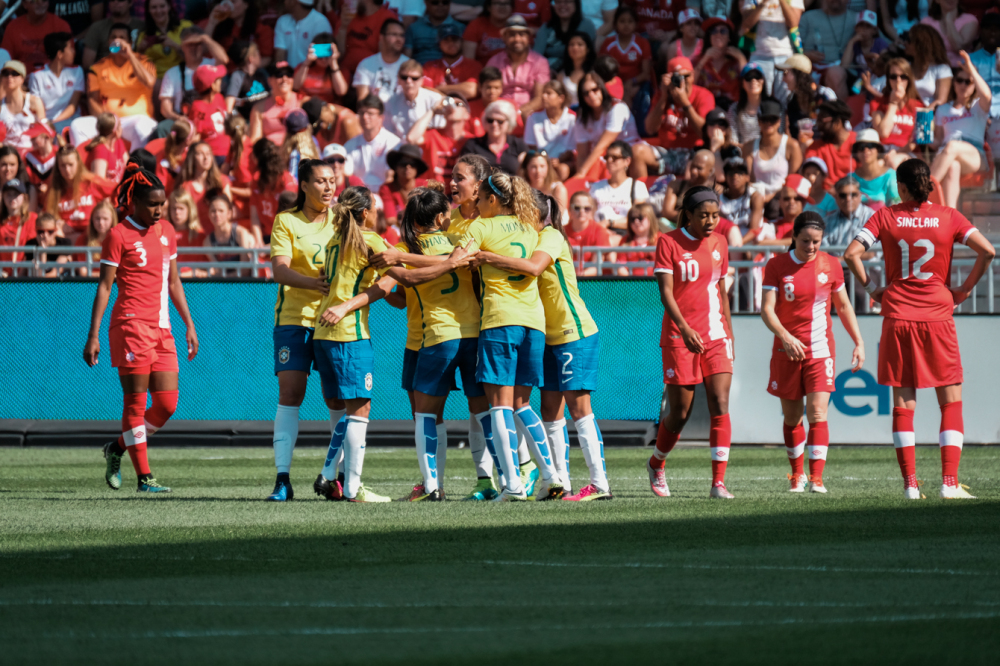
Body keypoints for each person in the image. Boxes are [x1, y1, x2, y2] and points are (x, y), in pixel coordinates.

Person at [844, 158, 995, 499]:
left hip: (897, 316)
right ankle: (949, 483)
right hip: (938, 316)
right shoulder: (949, 216)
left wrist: (873, 290)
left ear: (901, 187)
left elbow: (852, 254)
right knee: (951, 402)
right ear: (928, 184)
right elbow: (986, 252)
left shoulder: (886, 216)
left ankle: (911, 485)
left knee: (902, 403)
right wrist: (964, 290)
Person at [332, 188, 483, 501]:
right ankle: (495, 481)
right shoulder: (461, 243)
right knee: (484, 411)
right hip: (470, 333)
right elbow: (401, 298)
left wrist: (360, 296)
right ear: (441, 216)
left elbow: (395, 284)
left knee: (426, 415)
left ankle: (431, 486)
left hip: (431, 336)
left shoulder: (402, 248)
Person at [472, 190, 610, 500]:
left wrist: (488, 256)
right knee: (549, 410)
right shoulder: (529, 236)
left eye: (523, 210)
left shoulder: (550, 236)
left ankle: (600, 484)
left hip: (573, 331)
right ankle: (560, 482)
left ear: (537, 214)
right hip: (545, 335)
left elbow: (534, 267)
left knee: (579, 408)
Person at [84, 166, 198, 494]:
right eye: (152, 204)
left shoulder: (167, 231)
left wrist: (189, 323)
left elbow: (174, 280)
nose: (159, 209)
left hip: (163, 329)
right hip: (131, 325)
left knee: (167, 404)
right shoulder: (118, 236)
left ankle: (116, 447)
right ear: (132, 202)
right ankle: (144, 477)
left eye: (161, 203)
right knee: (135, 403)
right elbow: (105, 287)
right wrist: (93, 334)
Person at [455, 171, 564, 501]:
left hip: (500, 320)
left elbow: (457, 261)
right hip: (534, 323)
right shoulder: (530, 228)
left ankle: (513, 485)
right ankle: (551, 476)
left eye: (480, 200)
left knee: (499, 405)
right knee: (522, 403)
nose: (476, 206)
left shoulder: (480, 226)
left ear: (491, 199)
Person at [760, 211, 865, 493]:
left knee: (818, 413)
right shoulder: (776, 265)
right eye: (805, 241)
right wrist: (784, 335)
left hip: (820, 351)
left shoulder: (831, 264)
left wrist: (859, 341)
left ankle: (817, 477)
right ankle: (797, 475)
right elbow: (767, 310)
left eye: (816, 241)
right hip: (787, 351)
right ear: (794, 237)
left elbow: (843, 307)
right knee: (792, 418)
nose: (811, 247)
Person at [311, 184, 397, 503]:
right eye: (374, 207)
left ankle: (332, 477)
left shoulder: (335, 240)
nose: (377, 213)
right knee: (359, 411)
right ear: (364, 213)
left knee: (343, 414)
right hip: (350, 334)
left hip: (323, 333)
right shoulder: (369, 239)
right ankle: (352, 487)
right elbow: (392, 279)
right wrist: (350, 304)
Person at [648, 186, 735, 499]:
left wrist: (730, 333)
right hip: (679, 336)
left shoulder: (721, 243)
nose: (711, 221)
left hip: (715, 336)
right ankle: (657, 463)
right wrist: (684, 328)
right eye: (704, 215)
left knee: (720, 403)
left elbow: (721, 291)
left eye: (715, 215)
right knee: (680, 413)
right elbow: (666, 293)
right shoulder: (668, 242)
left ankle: (718, 483)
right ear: (689, 214)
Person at [265, 158, 340, 501]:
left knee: (337, 398)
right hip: (294, 320)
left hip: (333, 320)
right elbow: (279, 271)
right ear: (305, 186)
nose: (328, 187)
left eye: (332, 180)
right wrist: (315, 284)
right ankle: (283, 479)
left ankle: (335, 476)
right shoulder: (286, 221)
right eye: (321, 181)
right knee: (291, 394)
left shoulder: (342, 220)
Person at [73, 24, 158, 149]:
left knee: (143, 128)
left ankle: (134, 167)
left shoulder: (145, 62)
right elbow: (92, 101)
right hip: (108, 120)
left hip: (135, 120)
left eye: (121, 38)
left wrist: (130, 55)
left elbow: (150, 82)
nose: (117, 41)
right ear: (108, 42)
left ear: (130, 42)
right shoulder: (97, 68)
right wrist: (108, 122)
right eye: (113, 37)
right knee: (77, 126)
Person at [931, 49, 992, 209]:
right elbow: (937, 141)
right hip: (947, 154)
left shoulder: (978, 106)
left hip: (974, 154)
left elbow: (986, 95)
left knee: (952, 146)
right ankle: (951, 215)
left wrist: (972, 70)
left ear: (974, 84)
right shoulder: (943, 108)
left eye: (968, 82)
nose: (963, 85)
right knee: (953, 167)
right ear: (954, 82)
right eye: (960, 80)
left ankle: (922, 193)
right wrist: (922, 136)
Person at [573, 73, 657, 179]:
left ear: (602, 89)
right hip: (605, 158)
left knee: (602, 160)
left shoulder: (617, 108)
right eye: (586, 93)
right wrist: (580, 178)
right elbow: (582, 154)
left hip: (630, 154)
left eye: (595, 90)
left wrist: (582, 173)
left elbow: (602, 145)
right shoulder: (582, 118)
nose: (591, 95)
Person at [647, 56, 717, 176]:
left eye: (686, 76)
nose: (682, 81)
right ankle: (642, 192)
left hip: (693, 153)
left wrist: (685, 103)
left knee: (698, 165)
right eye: (678, 77)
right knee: (638, 152)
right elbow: (650, 129)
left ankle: (686, 191)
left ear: (693, 75)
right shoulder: (661, 96)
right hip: (667, 152)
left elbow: (705, 134)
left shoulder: (704, 95)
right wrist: (663, 97)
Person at [158, 27, 230, 126]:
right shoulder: (171, 73)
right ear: (182, 47)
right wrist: (179, 118)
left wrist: (205, 38)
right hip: (183, 121)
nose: (194, 48)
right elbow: (165, 108)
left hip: (212, 118)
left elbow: (224, 59)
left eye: (197, 44)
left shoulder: (212, 65)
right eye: (189, 45)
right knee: (163, 127)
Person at [744, 98, 802, 217]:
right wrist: (759, 198)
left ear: (779, 121)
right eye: (764, 119)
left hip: (781, 200)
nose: (768, 123)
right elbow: (748, 179)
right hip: (756, 199)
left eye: (773, 119)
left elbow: (793, 180)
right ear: (759, 121)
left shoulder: (791, 145)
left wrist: (771, 196)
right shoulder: (749, 147)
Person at [487, 16, 549, 122]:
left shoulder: (540, 62)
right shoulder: (494, 62)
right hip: (500, 115)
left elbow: (540, 98)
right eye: (512, 35)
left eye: (521, 35)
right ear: (504, 38)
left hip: (529, 115)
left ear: (529, 38)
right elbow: (488, 93)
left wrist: (518, 113)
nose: (517, 39)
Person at [46, 145, 117, 238]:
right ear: (58, 167)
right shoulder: (54, 189)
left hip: (92, 237)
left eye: (71, 165)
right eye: (63, 165)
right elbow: (47, 216)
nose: (67, 169)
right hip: (66, 239)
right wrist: (58, 223)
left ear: (78, 164)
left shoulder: (91, 182)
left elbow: (118, 189)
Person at [740, 0, 804, 98]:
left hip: (785, 55)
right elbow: (746, 24)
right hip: (759, 56)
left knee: (786, 98)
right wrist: (763, 3)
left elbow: (794, 23)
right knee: (760, 99)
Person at [407, 93, 470, 188]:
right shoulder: (433, 135)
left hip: (458, 195)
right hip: (432, 193)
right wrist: (432, 110)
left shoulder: (471, 141)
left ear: (467, 115)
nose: (452, 107)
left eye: (458, 104)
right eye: (449, 104)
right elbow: (412, 138)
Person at [797, 0, 856, 100]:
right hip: (811, 66)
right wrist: (806, 55)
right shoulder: (808, 17)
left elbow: (875, 39)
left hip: (842, 69)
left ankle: (840, 113)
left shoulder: (857, 19)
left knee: (835, 73)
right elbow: (794, 46)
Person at [344, 95, 402, 191]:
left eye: (370, 113)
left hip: (383, 193)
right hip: (358, 195)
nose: (365, 117)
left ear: (381, 118)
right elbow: (346, 175)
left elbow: (390, 177)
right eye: (362, 113)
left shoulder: (393, 143)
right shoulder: (350, 145)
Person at [589, 140, 649, 232]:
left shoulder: (637, 186)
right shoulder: (596, 187)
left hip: (626, 234)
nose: (609, 160)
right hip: (599, 233)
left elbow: (639, 218)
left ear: (627, 161)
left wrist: (609, 222)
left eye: (615, 157)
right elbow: (589, 216)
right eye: (607, 157)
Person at [29, 33, 84, 133]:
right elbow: (38, 107)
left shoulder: (77, 71)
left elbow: (73, 105)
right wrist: (47, 124)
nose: (73, 51)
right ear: (60, 54)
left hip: (72, 121)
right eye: (70, 48)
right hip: (47, 122)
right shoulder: (37, 76)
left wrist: (54, 122)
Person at [778, 53, 836, 148]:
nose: (783, 79)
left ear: (798, 74)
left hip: (825, 149)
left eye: (785, 73)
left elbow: (842, 127)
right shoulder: (790, 101)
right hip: (802, 152)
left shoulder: (824, 95)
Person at [598, 6, 651, 106]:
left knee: (628, 93)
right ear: (615, 24)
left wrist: (632, 81)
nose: (626, 25)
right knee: (621, 93)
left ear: (636, 24)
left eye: (630, 21)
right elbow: (601, 69)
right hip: (612, 83)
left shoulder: (642, 43)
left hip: (636, 83)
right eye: (622, 21)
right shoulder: (608, 43)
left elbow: (646, 73)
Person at [1, 0, 72, 74]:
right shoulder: (13, 27)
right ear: (24, 4)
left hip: (54, 80)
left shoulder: (61, 26)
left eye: (43, 0)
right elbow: (5, 61)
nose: (39, 3)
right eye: (34, 1)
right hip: (21, 81)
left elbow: (69, 61)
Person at [523, 80, 575, 180]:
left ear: (561, 98)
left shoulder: (572, 118)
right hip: (539, 159)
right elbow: (531, 145)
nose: (543, 96)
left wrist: (559, 160)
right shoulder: (533, 117)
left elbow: (572, 149)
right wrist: (542, 160)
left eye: (549, 93)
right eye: (543, 93)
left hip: (562, 161)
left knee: (563, 169)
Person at [459, 100, 525, 174]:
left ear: (509, 123)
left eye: (500, 121)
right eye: (490, 120)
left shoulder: (518, 145)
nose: (494, 124)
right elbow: (463, 172)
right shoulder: (473, 145)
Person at [250, 138, 296, 245]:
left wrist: (272, 247)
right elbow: (254, 216)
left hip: (286, 236)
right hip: (266, 237)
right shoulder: (256, 181)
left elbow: (292, 219)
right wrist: (259, 242)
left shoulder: (287, 181)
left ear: (257, 159)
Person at [694, 16, 747, 109]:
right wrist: (704, 60)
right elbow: (689, 85)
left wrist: (741, 58)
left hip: (732, 110)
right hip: (706, 109)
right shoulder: (698, 60)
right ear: (709, 37)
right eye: (713, 31)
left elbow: (748, 84)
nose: (718, 34)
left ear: (729, 37)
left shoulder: (737, 61)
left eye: (723, 31)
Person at [179, 141, 233, 232]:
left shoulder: (222, 181)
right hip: (196, 235)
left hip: (219, 235)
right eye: (200, 154)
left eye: (208, 154)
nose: (206, 158)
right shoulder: (185, 187)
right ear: (192, 158)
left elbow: (229, 209)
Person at [353, 18, 410, 103]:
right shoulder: (366, 65)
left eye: (401, 35)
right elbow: (362, 101)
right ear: (381, 37)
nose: (399, 39)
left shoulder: (409, 65)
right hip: (375, 114)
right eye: (394, 34)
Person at [384, 60, 444, 138]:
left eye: (414, 78)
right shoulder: (390, 102)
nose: (409, 81)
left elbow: (440, 130)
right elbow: (388, 132)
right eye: (404, 77)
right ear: (398, 79)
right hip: (400, 147)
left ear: (422, 81)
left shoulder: (435, 99)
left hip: (427, 146)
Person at [202, 0, 276, 63]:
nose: (229, 5)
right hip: (217, 69)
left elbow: (267, 58)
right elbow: (203, 50)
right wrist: (212, 23)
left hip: (244, 74)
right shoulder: (215, 23)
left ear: (246, 4)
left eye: (233, 1)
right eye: (226, 1)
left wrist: (245, 69)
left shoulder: (262, 29)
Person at [340, 0, 399, 78]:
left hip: (371, 76)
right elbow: (338, 53)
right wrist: (343, 28)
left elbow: (388, 58)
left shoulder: (387, 18)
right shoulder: (348, 16)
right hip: (345, 75)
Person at [423, 24, 482, 101]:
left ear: (461, 42)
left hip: (467, 109)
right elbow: (424, 91)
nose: (451, 43)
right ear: (439, 44)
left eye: (454, 39)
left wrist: (440, 89)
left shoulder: (474, 65)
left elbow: (471, 91)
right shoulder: (429, 66)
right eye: (446, 40)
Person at [805, 100, 856, 188]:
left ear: (838, 122)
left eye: (822, 121)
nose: (818, 125)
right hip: (825, 197)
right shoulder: (814, 149)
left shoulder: (859, 143)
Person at [136, 0, 193, 78]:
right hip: (157, 79)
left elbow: (194, 57)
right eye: (154, 7)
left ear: (169, 7)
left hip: (184, 75)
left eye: (162, 6)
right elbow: (138, 68)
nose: (158, 11)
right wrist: (140, 51)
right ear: (148, 10)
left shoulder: (185, 27)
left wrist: (175, 46)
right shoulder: (144, 36)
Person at [534, 0, 596, 71]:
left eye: (567, 1)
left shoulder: (586, 25)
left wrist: (548, 50)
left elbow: (573, 51)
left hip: (577, 70)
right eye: (558, 2)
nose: (562, 5)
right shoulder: (546, 27)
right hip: (546, 71)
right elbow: (536, 54)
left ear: (576, 4)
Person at [248, 61, 300, 145]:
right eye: (279, 75)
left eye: (289, 75)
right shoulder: (259, 109)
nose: (284, 79)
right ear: (269, 81)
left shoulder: (301, 102)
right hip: (272, 154)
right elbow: (255, 140)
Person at [203, 193, 256, 276]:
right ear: (209, 214)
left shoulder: (240, 234)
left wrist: (227, 278)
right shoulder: (208, 242)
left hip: (243, 284)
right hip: (223, 285)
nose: (217, 214)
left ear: (229, 213)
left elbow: (245, 270)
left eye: (221, 211)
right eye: (213, 211)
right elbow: (218, 270)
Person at [0, 61, 47, 153]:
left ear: (22, 79)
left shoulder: (34, 102)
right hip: (7, 154)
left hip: (31, 152)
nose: (9, 77)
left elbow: (43, 131)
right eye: (6, 73)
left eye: (14, 73)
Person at [83, 0, 145, 69]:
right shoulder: (97, 27)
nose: (115, 2)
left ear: (130, 3)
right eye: (112, 0)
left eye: (120, 0)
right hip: (104, 74)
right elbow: (87, 63)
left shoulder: (142, 26)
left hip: (135, 73)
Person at [564, 190, 614, 275]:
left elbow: (596, 267)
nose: (581, 211)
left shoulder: (599, 231)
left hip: (590, 282)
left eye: (587, 208)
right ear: (570, 209)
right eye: (577, 208)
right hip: (567, 279)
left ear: (592, 210)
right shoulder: (561, 231)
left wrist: (577, 277)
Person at [662, 149, 717, 224]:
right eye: (692, 166)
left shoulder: (716, 190)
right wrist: (693, 219)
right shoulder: (676, 185)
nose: (693, 171)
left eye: (699, 168)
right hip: (675, 226)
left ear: (710, 171)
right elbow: (667, 212)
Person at [849, 128, 899, 210]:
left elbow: (896, 208)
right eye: (861, 147)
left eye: (870, 146)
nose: (865, 150)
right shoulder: (850, 178)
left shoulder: (891, 176)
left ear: (878, 150)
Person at [274, 0, 333, 68]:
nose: (284, 1)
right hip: (288, 75)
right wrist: (284, 74)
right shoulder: (282, 21)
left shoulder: (321, 23)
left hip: (312, 75)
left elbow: (322, 58)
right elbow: (280, 54)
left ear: (294, 2)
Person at [379, 144, 429, 224]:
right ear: (395, 166)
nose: (407, 167)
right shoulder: (386, 189)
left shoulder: (426, 186)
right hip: (398, 232)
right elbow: (390, 220)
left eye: (412, 164)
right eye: (403, 163)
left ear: (417, 168)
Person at [292, 34, 349, 104]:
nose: (323, 60)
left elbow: (341, 92)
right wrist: (307, 62)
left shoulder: (341, 71)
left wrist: (333, 64)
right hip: (305, 106)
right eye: (320, 56)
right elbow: (295, 87)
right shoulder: (302, 67)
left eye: (327, 56)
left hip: (329, 109)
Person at [920, 0, 978, 68]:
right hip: (935, 68)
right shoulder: (926, 22)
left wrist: (949, 20)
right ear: (937, 1)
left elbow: (959, 47)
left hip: (961, 69)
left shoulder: (969, 20)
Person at [719, 156, 764, 242]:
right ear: (725, 177)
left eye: (739, 172)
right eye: (731, 172)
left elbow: (754, 230)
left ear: (747, 177)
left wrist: (738, 245)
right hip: (729, 242)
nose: (735, 176)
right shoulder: (719, 200)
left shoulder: (755, 197)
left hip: (751, 242)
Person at [823, 175, 873, 250]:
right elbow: (824, 251)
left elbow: (872, 252)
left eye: (853, 194)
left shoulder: (872, 218)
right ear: (836, 197)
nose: (848, 199)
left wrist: (842, 259)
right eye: (843, 195)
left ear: (860, 195)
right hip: (835, 261)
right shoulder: (827, 222)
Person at [726, 63, 770, 145]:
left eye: (757, 77)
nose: (753, 81)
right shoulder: (734, 109)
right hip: (743, 154)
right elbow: (733, 140)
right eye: (748, 78)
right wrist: (749, 151)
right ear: (742, 83)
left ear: (763, 81)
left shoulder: (773, 106)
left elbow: (779, 136)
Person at [0, 177, 36, 274]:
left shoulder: (33, 219)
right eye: (8, 195)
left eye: (16, 195)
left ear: (24, 197)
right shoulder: (1, 221)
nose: (12, 198)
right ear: (3, 197)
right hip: (3, 276)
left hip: (26, 276)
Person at [225, 40, 269, 118]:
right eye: (258, 54)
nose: (261, 57)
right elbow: (229, 104)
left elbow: (272, 93)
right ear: (251, 59)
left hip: (266, 116)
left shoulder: (262, 73)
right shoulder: (238, 76)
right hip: (248, 121)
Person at [76, 200, 118, 277]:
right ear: (92, 219)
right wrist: (109, 276)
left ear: (112, 220)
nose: (101, 223)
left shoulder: (119, 239)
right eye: (97, 218)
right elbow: (83, 272)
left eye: (105, 219)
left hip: (113, 285)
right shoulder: (83, 239)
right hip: (89, 284)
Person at [463, 0, 513, 64]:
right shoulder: (476, 25)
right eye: (497, 3)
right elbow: (468, 60)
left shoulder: (516, 27)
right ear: (489, 7)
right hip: (482, 71)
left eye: (506, 3)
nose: (502, 7)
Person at [617, 202, 660, 276]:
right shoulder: (625, 241)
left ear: (650, 217)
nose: (636, 221)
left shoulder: (661, 239)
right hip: (631, 284)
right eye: (632, 219)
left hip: (654, 283)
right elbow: (621, 267)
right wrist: (633, 283)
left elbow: (663, 267)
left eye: (640, 217)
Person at [85, 113, 129, 183]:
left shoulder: (118, 142)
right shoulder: (100, 149)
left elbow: (129, 166)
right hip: (109, 192)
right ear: (115, 131)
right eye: (120, 126)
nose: (122, 128)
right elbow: (99, 183)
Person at [25, 211, 72, 276]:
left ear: (56, 231)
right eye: (41, 231)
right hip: (39, 285)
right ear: (36, 230)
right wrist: (42, 251)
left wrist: (43, 250)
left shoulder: (64, 243)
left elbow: (54, 274)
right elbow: (37, 275)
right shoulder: (30, 245)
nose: (45, 235)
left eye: (50, 231)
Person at [522, 149, 568, 215]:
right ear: (526, 168)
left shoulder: (557, 189)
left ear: (548, 168)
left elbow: (558, 218)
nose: (538, 171)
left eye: (542, 166)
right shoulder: (521, 189)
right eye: (533, 167)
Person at [557, 30, 595, 107]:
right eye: (571, 44)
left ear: (588, 49)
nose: (575, 47)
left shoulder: (595, 73)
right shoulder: (561, 75)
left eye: (580, 44)